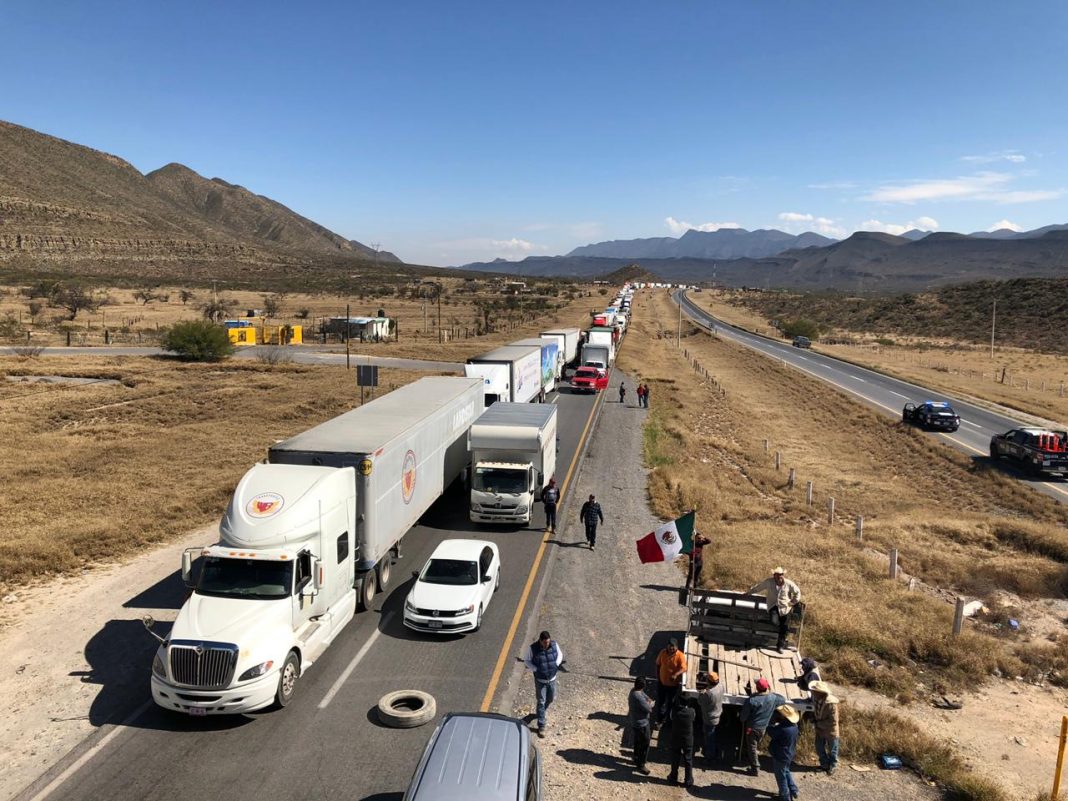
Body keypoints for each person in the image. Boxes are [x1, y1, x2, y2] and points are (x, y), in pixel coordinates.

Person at [739, 676, 786, 777]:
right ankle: (753, 760)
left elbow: (743, 717)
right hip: (763, 728)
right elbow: (783, 699)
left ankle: (755, 767)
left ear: (757, 688)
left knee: (752, 746)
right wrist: (771, 692)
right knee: (755, 744)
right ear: (767, 687)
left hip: (752, 728)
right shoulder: (773, 698)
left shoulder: (751, 700)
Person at [748, 567, 802, 651]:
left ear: (782, 575)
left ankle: (780, 646)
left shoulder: (788, 583)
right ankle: (780, 627)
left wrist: (793, 602)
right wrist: (749, 592)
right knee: (774, 621)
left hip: (785, 608)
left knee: (785, 627)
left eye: (779, 575)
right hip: (773, 606)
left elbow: (797, 592)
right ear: (774, 575)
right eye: (776, 575)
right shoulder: (769, 582)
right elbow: (759, 587)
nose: (777, 577)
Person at [523, 630, 563, 738]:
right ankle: (541, 725)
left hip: (552, 679)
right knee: (541, 701)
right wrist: (535, 669)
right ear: (540, 641)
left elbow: (560, 655)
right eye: (545, 642)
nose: (547, 644)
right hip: (540, 681)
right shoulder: (533, 648)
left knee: (551, 699)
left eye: (548, 642)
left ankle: (540, 713)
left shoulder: (554, 645)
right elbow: (526, 660)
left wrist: (556, 663)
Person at [767, 704, 800, 801]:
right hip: (789, 754)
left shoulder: (783, 729)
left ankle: (785, 796)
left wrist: (770, 724)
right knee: (786, 771)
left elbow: (771, 732)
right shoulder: (794, 726)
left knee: (781, 776)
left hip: (781, 755)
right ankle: (793, 790)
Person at [653, 638, 687, 727]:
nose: (671, 649)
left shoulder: (680, 656)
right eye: (669, 647)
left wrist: (676, 674)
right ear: (667, 646)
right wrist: (658, 677)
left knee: (671, 703)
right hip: (662, 683)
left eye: (673, 648)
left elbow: (684, 668)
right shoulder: (663, 652)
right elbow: (657, 664)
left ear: (676, 647)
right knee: (661, 702)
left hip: (673, 686)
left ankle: (668, 720)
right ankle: (660, 721)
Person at [809, 680, 841, 775]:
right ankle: (824, 764)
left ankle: (833, 766)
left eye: (814, 691)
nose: (812, 692)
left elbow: (833, 721)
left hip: (830, 730)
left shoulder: (831, 704)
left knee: (833, 750)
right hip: (820, 729)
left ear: (820, 692)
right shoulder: (816, 699)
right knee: (819, 747)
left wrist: (818, 724)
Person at [666, 696, 696, 787]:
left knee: (675, 758)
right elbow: (694, 719)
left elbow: (671, 718)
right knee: (688, 759)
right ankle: (688, 780)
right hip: (687, 740)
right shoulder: (691, 712)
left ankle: (673, 777)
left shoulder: (674, 711)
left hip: (676, 738)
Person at [696, 671, 724, 764]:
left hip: (709, 718)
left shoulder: (709, 694)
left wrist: (701, 692)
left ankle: (710, 757)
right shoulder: (720, 686)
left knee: (709, 738)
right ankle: (714, 752)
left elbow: (700, 701)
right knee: (711, 734)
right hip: (717, 714)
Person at [628, 676, 654, 775]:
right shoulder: (638, 697)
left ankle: (636, 757)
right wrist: (650, 703)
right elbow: (649, 709)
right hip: (642, 724)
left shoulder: (634, 691)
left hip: (635, 721)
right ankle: (641, 764)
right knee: (645, 743)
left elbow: (643, 695)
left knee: (637, 742)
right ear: (643, 686)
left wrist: (647, 699)